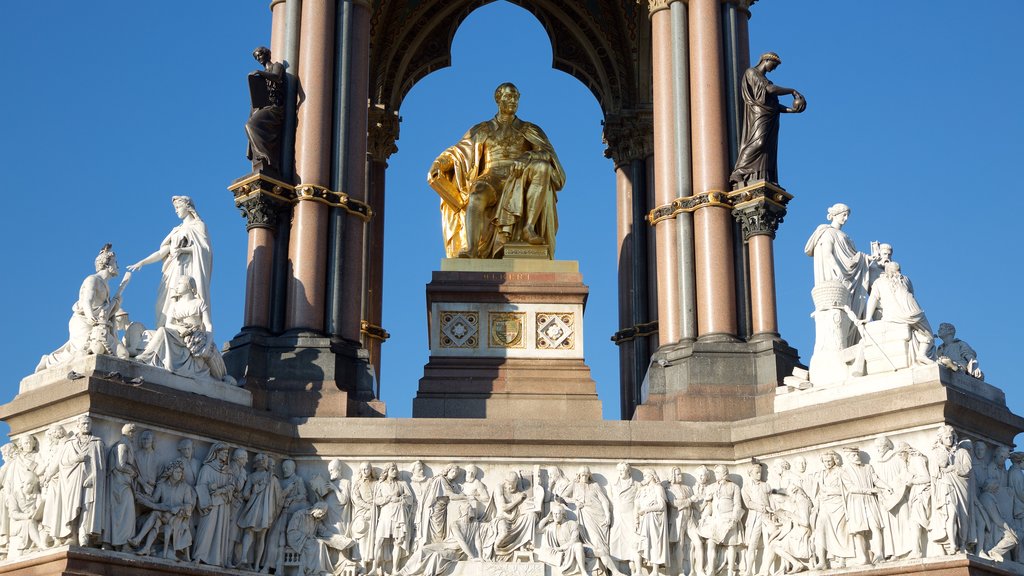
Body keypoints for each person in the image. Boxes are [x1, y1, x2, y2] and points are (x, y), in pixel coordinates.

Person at [428, 82, 565, 259]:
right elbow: (458, 153)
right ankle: (472, 248)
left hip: (519, 177)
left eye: (516, 97)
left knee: (542, 167)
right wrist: (440, 163)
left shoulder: (530, 129)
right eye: (509, 96)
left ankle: (528, 228)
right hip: (490, 177)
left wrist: (528, 156)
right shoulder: (482, 129)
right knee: (476, 196)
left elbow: (547, 154)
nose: (513, 100)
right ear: (498, 99)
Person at [128, 195, 213, 330]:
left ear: (188, 207)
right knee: (163, 303)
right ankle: (165, 330)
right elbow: (162, 252)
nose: (176, 211)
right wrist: (142, 262)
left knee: (183, 297)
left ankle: (184, 328)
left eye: (178, 207)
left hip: (188, 269)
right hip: (172, 269)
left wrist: (183, 250)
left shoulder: (199, 226)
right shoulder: (176, 230)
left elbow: (204, 250)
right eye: (175, 208)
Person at [37, 244, 127, 371]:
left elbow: (105, 310)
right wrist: (90, 315)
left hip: (97, 325)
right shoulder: (93, 280)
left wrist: (118, 298)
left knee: (112, 353)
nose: (117, 266)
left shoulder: (107, 287)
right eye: (115, 262)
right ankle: (49, 360)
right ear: (107, 264)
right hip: (83, 321)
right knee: (81, 353)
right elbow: (87, 300)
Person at [136, 275, 233, 384]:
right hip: (179, 333)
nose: (177, 286)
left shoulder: (199, 303)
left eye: (180, 283)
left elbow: (208, 326)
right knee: (152, 333)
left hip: (195, 336)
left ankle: (221, 377)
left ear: (188, 286)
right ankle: (146, 357)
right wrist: (180, 328)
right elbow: (169, 324)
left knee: (163, 332)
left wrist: (206, 345)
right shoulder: (174, 306)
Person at [729, 51, 805, 188]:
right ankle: (739, 171)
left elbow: (774, 106)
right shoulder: (752, 72)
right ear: (766, 60)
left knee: (767, 149)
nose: (774, 68)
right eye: (774, 65)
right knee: (758, 142)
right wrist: (792, 91)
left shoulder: (765, 79)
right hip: (758, 114)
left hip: (770, 117)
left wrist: (791, 110)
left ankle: (760, 175)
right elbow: (769, 89)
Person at [804, 203, 873, 327]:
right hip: (835, 277)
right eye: (844, 215)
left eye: (847, 216)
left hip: (850, 278)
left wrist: (867, 258)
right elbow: (827, 254)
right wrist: (838, 270)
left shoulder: (845, 236)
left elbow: (852, 258)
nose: (846, 218)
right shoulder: (827, 232)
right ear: (834, 215)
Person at [48, 416, 106, 547]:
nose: (86, 426)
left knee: (87, 509)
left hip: (89, 483)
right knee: (71, 509)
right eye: (84, 424)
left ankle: (84, 537)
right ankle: (71, 535)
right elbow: (62, 463)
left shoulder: (97, 443)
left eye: (88, 424)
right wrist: (76, 459)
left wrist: (93, 477)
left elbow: (101, 466)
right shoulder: (70, 443)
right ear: (78, 425)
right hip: (71, 482)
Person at [862, 261, 935, 365]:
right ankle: (921, 354)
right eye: (898, 270)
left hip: (893, 315)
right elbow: (911, 295)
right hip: (913, 312)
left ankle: (921, 355)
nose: (898, 272)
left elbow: (873, 299)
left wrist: (868, 318)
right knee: (929, 335)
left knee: (924, 333)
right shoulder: (905, 279)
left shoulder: (879, 282)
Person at [131, 458, 197, 560]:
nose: (179, 474)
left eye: (181, 472)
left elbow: (189, 505)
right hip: (163, 516)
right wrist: (143, 497)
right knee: (156, 520)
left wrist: (178, 508)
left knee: (155, 514)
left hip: (176, 519)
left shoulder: (185, 488)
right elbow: (154, 500)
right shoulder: (162, 485)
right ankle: (146, 547)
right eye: (177, 471)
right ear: (171, 472)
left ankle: (139, 540)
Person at [193, 442, 236, 567]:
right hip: (210, 505)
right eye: (223, 452)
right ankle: (199, 555)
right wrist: (210, 494)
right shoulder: (207, 468)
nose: (226, 455)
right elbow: (201, 486)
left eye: (227, 453)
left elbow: (231, 486)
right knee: (206, 529)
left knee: (220, 531)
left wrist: (222, 490)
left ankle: (217, 559)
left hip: (223, 505)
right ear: (216, 453)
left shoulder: (228, 471)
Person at [245, 46, 285, 172]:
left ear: (267, 54)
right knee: (248, 124)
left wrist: (259, 72)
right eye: (256, 57)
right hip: (264, 107)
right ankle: (262, 156)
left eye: (260, 55)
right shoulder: (261, 78)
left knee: (252, 125)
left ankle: (266, 156)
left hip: (275, 107)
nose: (258, 59)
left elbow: (277, 77)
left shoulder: (277, 66)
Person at [536, 502, 589, 576]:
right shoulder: (551, 527)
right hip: (560, 552)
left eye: (557, 514)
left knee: (578, 545)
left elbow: (574, 540)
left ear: (563, 514)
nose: (555, 516)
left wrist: (561, 548)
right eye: (554, 514)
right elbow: (537, 530)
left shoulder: (572, 524)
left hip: (571, 548)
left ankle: (583, 571)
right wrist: (547, 518)